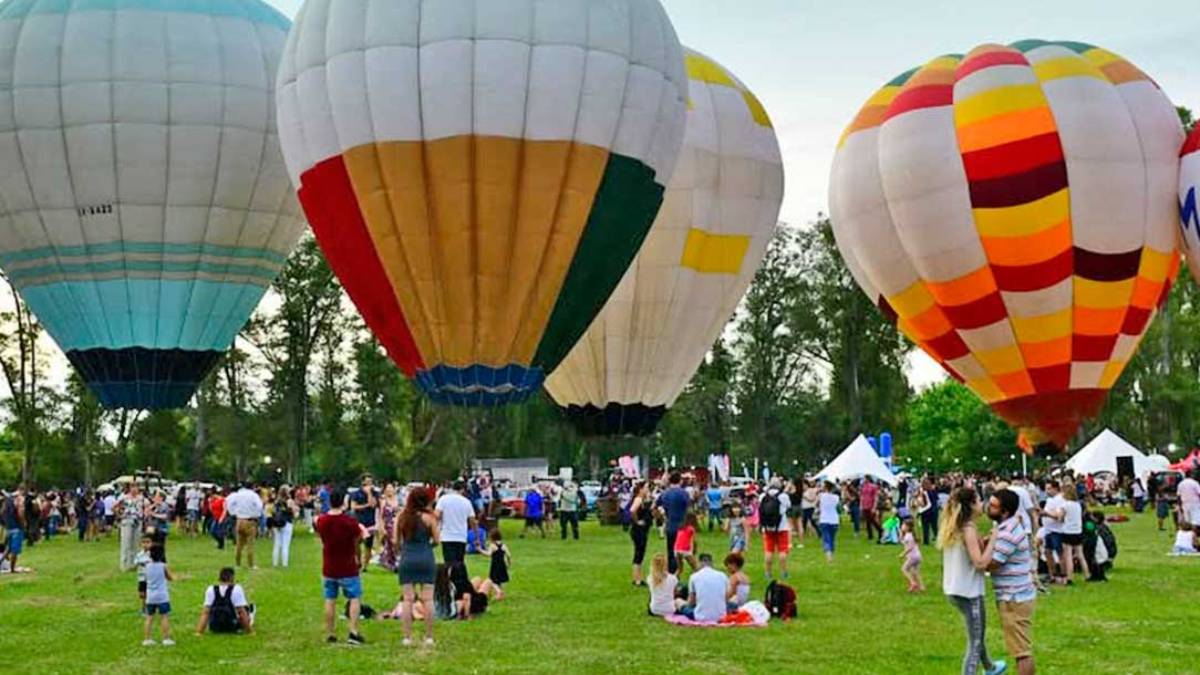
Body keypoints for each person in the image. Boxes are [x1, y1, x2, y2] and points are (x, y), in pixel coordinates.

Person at [938, 487, 1005, 675]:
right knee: (975, 641)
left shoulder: (956, 527)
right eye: (978, 500)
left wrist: (985, 540)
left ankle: (990, 667)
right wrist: (994, 539)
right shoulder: (967, 529)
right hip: (969, 592)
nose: (981, 504)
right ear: (971, 505)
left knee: (977, 633)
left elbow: (971, 551)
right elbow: (980, 562)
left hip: (954, 589)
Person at [977, 489, 1036, 675]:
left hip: (1014, 597)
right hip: (1016, 594)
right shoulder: (1006, 527)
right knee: (1020, 647)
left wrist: (977, 558)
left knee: (1021, 651)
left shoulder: (1007, 532)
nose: (988, 508)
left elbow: (991, 563)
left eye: (993, 506)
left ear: (1005, 512)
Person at [314, 489, 367, 645]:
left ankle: (330, 632)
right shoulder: (349, 522)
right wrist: (358, 558)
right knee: (354, 598)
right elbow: (358, 539)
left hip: (329, 565)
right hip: (348, 565)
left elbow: (321, 537)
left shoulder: (321, 521)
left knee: (330, 599)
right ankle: (353, 631)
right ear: (344, 502)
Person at [396, 486, 440, 647]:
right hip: (425, 557)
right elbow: (437, 540)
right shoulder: (430, 518)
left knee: (408, 600)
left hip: (407, 558)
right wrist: (427, 546)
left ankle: (407, 637)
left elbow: (395, 541)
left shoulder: (402, 517)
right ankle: (429, 637)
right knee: (427, 599)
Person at [196, 567, 254, 635]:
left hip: (215, 627)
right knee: (249, 609)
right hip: (232, 626)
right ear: (232, 578)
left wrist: (199, 632)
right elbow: (241, 612)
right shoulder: (237, 589)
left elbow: (205, 613)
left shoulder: (210, 589)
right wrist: (250, 632)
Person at [435, 481, 476, 569]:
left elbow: (437, 516)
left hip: (447, 536)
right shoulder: (466, 502)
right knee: (459, 562)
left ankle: (449, 580)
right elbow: (472, 521)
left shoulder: (443, 499)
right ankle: (458, 580)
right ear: (463, 490)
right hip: (461, 536)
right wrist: (476, 536)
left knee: (448, 563)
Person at [656, 472, 691, 575]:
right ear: (680, 480)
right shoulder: (684, 493)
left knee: (671, 550)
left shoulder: (665, 493)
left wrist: (662, 516)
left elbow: (655, 506)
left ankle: (671, 572)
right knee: (684, 551)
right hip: (682, 525)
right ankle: (684, 570)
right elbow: (688, 509)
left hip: (670, 525)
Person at [680, 553, 729, 623]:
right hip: (721, 615)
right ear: (711, 563)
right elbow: (726, 599)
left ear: (700, 563)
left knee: (678, 602)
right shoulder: (722, 575)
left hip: (700, 616)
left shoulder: (694, 576)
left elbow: (691, 602)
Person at [225, 482, 264, 569]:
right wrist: (256, 514)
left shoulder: (237, 495)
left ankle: (237, 564)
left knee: (239, 544)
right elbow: (259, 506)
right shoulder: (253, 495)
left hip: (239, 520)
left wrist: (234, 512)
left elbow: (228, 502)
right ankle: (251, 564)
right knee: (250, 543)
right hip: (250, 520)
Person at [760, 477, 792, 580]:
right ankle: (784, 572)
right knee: (782, 551)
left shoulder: (763, 496)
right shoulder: (783, 496)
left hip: (768, 527)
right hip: (781, 527)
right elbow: (788, 506)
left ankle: (767, 573)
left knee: (768, 551)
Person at [142, 546, 175, 646]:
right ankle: (166, 638)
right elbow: (170, 577)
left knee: (149, 618)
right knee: (164, 617)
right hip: (162, 596)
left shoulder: (147, 566)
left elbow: (145, 579)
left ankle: (147, 639)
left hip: (150, 596)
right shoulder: (163, 566)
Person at [115, 485, 148, 571]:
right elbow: (115, 507)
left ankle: (134, 564)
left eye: (136, 487)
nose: (134, 489)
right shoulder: (124, 498)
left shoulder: (142, 498)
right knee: (126, 543)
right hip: (127, 521)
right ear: (129, 488)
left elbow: (147, 507)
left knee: (136, 543)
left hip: (138, 521)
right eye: (132, 487)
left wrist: (145, 515)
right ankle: (124, 565)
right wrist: (120, 515)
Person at [350, 475, 378, 570]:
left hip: (370, 522)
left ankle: (365, 566)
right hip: (359, 521)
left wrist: (369, 493)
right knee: (356, 542)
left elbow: (373, 505)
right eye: (367, 482)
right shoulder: (356, 493)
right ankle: (358, 561)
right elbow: (354, 507)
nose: (369, 484)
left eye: (371, 482)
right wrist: (366, 505)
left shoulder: (374, 493)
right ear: (363, 483)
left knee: (368, 545)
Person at [629, 482, 653, 586]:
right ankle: (637, 579)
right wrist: (637, 521)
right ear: (640, 489)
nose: (648, 490)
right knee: (638, 553)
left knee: (640, 553)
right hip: (638, 530)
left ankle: (638, 577)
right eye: (646, 488)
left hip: (643, 530)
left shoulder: (645, 500)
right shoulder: (638, 499)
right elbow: (632, 510)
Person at [271, 487, 298, 568]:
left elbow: (273, 512)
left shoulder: (276, 501)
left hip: (277, 523)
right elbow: (294, 513)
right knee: (285, 545)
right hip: (287, 523)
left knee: (277, 544)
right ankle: (284, 564)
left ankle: (275, 563)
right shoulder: (289, 501)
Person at [647, 553, 680, 617]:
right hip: (670, 609)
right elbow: (675, 593)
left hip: (654, 610)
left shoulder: (650, 578)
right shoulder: (672, 578)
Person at [378, 483, 401, 571]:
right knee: (390, 544)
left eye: (391, 488)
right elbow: (381, 516)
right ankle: (391, 563)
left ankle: (397, 562)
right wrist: (382, 527)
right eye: (388, 488)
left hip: (398, 524)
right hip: (388, 525)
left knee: (398, 544)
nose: (389, 490)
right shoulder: (383, 501)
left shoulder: (399, 500)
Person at [2, 486, 25, 572]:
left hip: (9, 527)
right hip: (17, 527)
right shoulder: (19, 499)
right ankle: (12, 569)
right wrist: (23, 524)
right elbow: (20, 513)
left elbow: (2, 512)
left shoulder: (7, 500)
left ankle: (1, 563)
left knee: (8, 548)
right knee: (14, 550)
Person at [900, 517, 925, 593]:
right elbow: (903, 542)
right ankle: (921, 586)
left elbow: (910, 547)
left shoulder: (908, 536)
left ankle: (913, 583)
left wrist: (903, 554)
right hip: (918, 556)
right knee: (916, 571)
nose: (902, 526)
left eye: (903, 525)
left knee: (904, 569)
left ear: (907, 527)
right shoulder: (910, 535)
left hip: (912, 557)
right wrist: (901, 535)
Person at [818, 481, 841, 562]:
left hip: (824, 519)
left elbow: (817, 503)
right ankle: (832, 555)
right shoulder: (836, 497)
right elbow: (839, 508)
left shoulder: (821, 496)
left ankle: (828, 556)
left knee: (826, 539)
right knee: (832, 538)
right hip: (834, 520)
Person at [486, 529, 510, 601]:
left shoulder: (492, 545)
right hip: (502, 565)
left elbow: (488, 554)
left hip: (495, 565)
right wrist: (509, 563)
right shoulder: (503, 545)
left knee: (492, 580)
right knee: (499, 580)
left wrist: (480, 550)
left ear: (492, 537)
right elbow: (509, 555)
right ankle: (501, 596)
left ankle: (498, 592)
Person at [135, 534, 154, 613]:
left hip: (150, 577)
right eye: (143, 542)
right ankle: (143, 607)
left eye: (148, 542)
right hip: (141, 577)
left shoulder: (153, 554)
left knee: (148, 593)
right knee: (142, 594)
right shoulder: (139, 554)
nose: (145, 544)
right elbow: (135, 563)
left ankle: (147, 608)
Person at [861, 477, 880, 542]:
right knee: (867, 521)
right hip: (865, 505)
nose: (864, 480)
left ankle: (880, 530)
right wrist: (861, 505)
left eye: (865, 478)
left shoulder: (873, 487)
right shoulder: (863, 486)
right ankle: (870, 535)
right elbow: (862, 496)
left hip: (870, 505)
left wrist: (874, 507)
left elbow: (876, 497)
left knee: (872, 520)